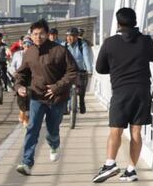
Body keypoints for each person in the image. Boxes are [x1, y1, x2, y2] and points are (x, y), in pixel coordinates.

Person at [92, 7, 153, 183]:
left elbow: (100, 68)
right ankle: (131, 170)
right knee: (136, 131)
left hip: (121, 91)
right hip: (142, 90)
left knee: (116, 129)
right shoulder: (145, 41)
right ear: (135, 22)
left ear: (118, 23)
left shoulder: (110, 43)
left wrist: (115, 67)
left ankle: (110, 163)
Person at [13, 19, 78, 175]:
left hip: (57, 98)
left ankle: (54, 144)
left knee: (52, 130)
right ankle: (27, 162)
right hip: (37, 97)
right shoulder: (29, 52)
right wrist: (19, 86)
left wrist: (57, 87)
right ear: (31, 35)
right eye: (35, 34)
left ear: (47, 34)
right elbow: (22, 73)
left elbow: (72, 71)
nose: (38, 37)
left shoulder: (60, 50)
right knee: (32, 128)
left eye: (41, 33)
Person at [64, 27, 93, 114]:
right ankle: (67, 106)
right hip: (68, 71)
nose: (69, 38)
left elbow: (86, 57)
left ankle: (82, 101)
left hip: (80, 70)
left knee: (82, 89)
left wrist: (89, 70)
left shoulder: (82, 44)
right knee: (65, 88)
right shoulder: (64, 45)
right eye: (68, 36)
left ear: (77, 37)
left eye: (72, 36)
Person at [8, 41, 29, 127]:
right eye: (26, 45)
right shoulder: (17, 54)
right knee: (21, 96)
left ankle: (25, 116)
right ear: (23, 46)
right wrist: (14, 73)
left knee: (30, 97)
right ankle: (23, 113)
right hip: (19, 78)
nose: (27, 47)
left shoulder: (35, 54)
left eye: (29, 45)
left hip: (31, 78)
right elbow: (12, 66)